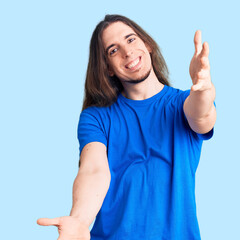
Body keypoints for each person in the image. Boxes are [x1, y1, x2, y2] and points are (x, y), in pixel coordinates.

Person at [37, 14, 216, 240]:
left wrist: (203, 90)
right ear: (108, 68)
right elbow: (93, 169)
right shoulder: (96, 118)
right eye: (113, 50)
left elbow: (202, 115)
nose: (127, 52)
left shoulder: (182, 104)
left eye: (131, 40)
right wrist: (80, 220)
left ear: (147, 44)